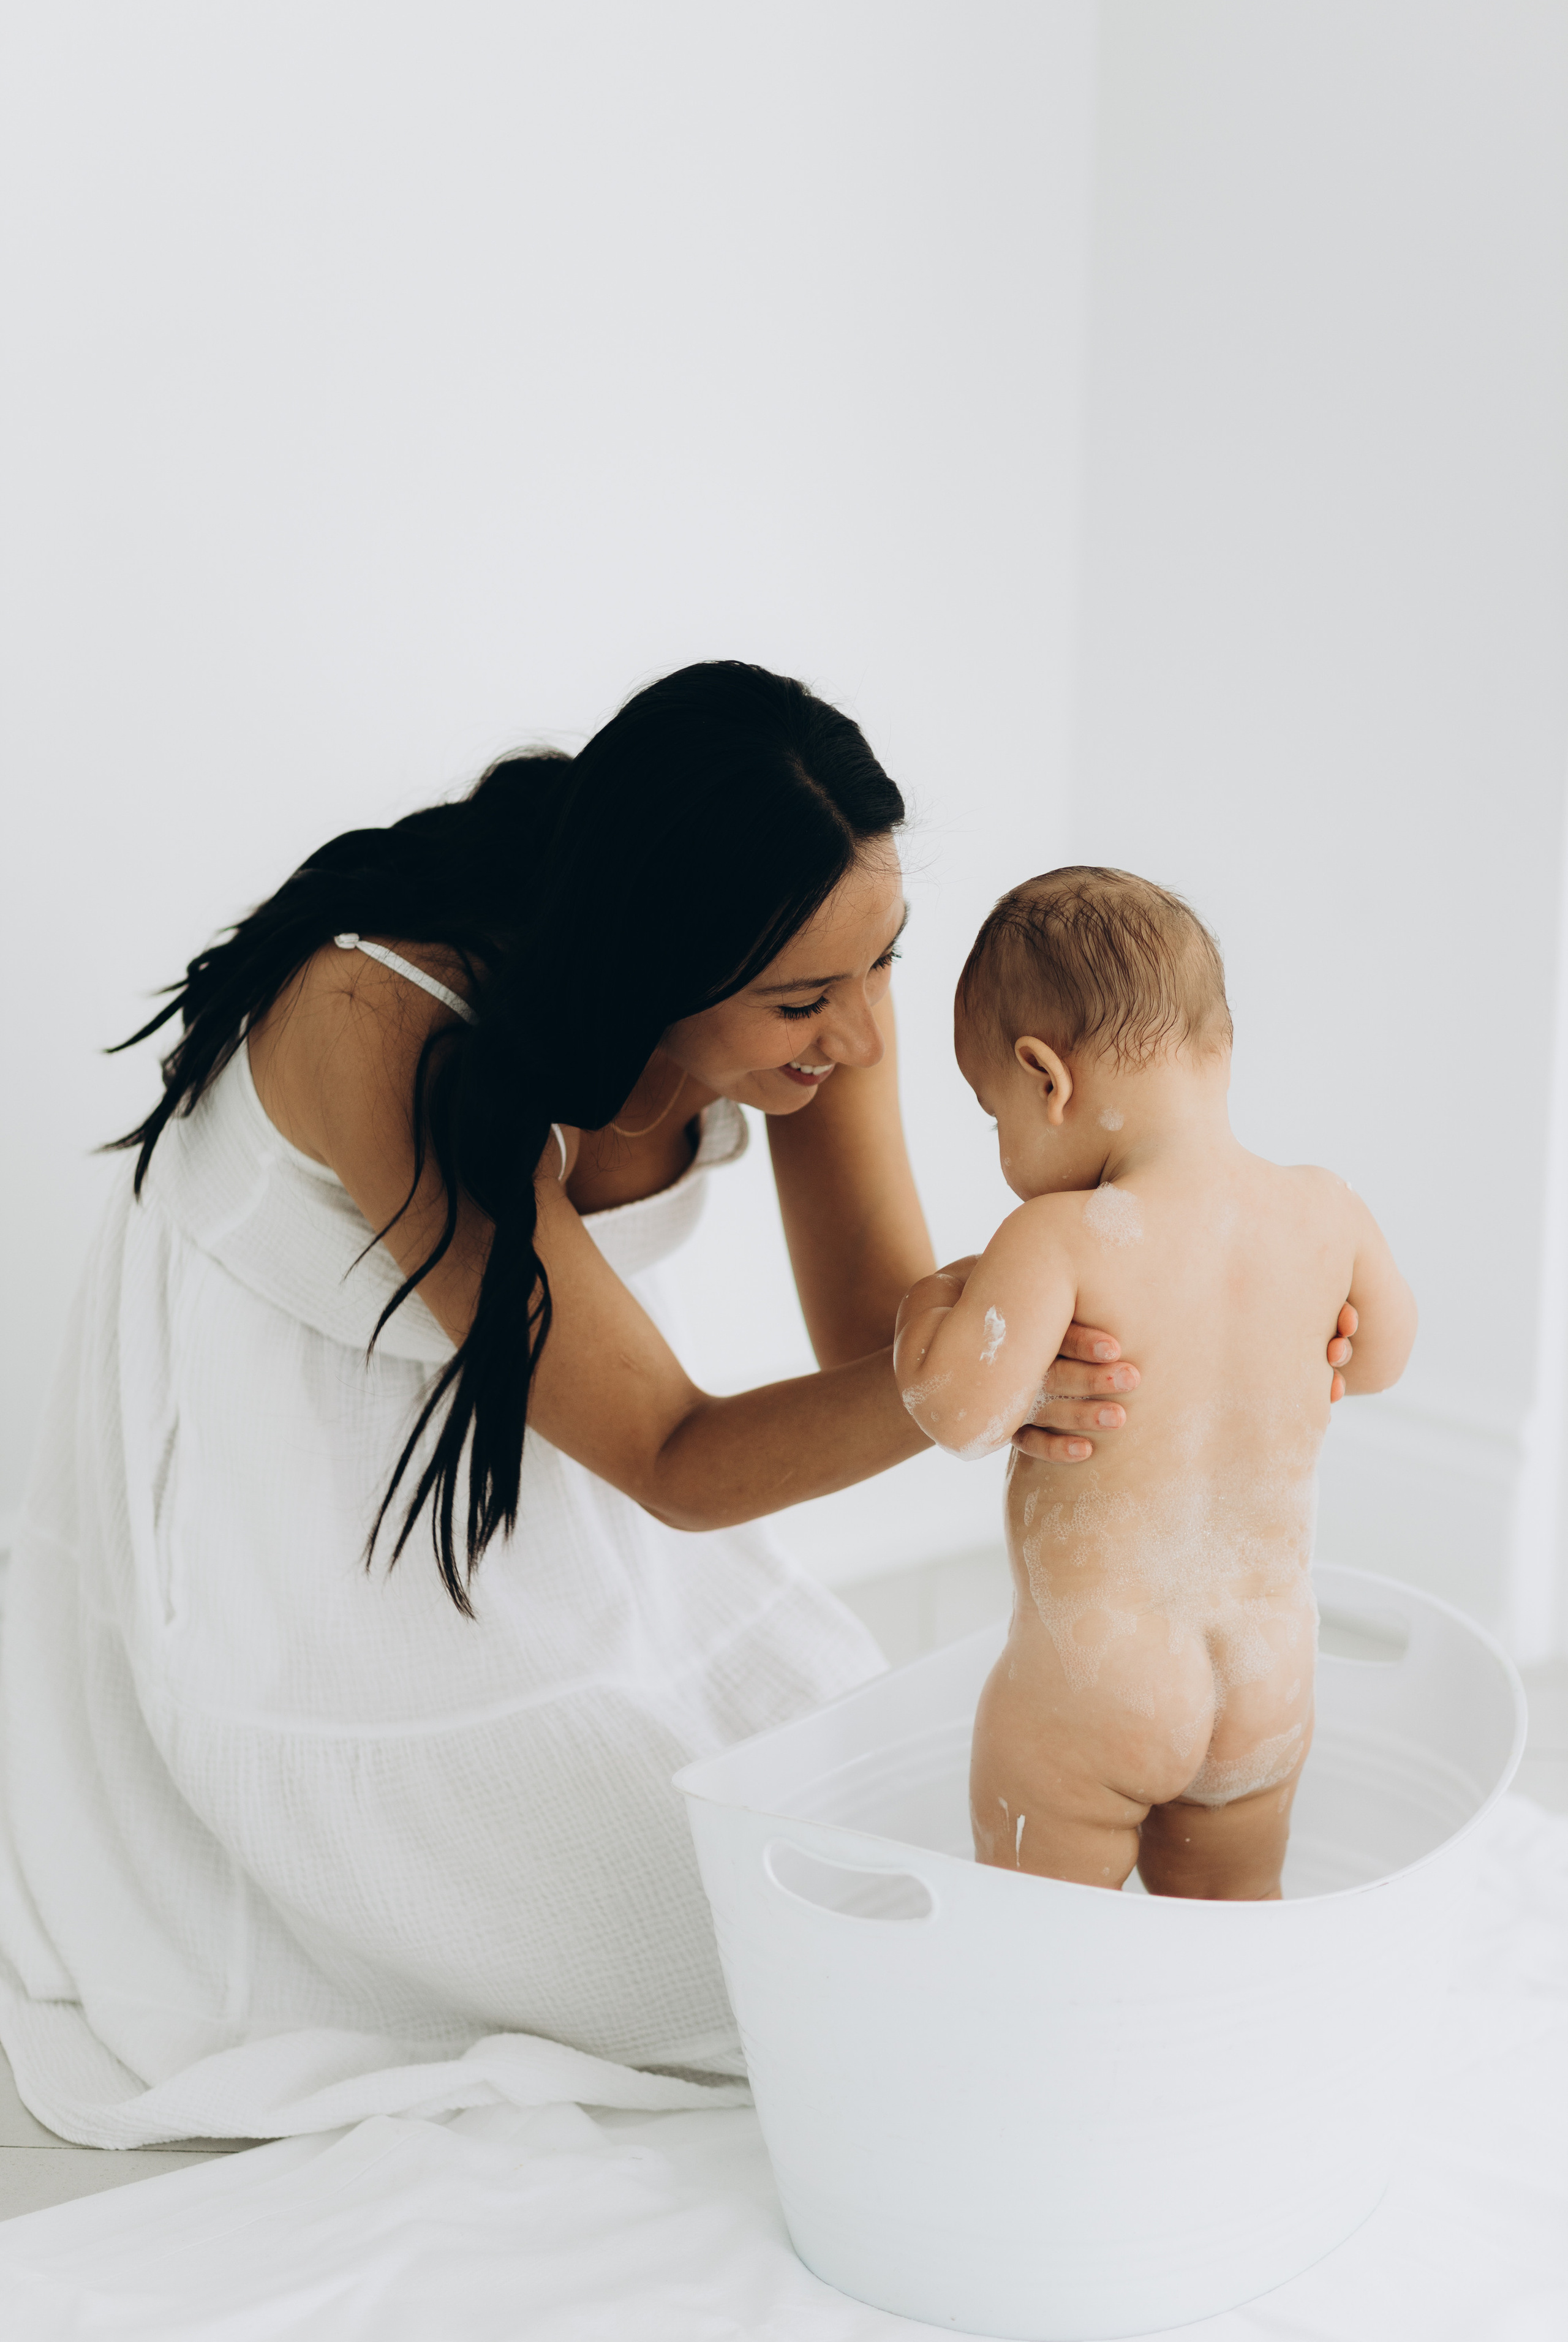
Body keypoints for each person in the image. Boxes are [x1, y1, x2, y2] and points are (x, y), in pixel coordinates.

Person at [0, 666, 1156, 2148]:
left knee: (864, 1835)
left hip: (544, 1442)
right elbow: (677, 1454)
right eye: (806, 1001)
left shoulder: (810, 954)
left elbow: (876, 1332)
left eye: (885, 964)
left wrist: (1123, 1274)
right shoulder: (384, 1018)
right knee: (710, 1951)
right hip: (294, 1479)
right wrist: (973, 1373)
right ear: (644, 975)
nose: (867, 1034)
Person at [894, 867, 1412, 1900]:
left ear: (1047, 1080)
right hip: (1268, 1679)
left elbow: (960, 1414)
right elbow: (1382, 1357)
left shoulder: (1060, 1237)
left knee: (1045, 1940)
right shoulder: (1324, 1211)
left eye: (994, 1115)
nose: (1003, 1145)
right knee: (1228, 1934)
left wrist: (926, 1311)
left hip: (1098, 1691)